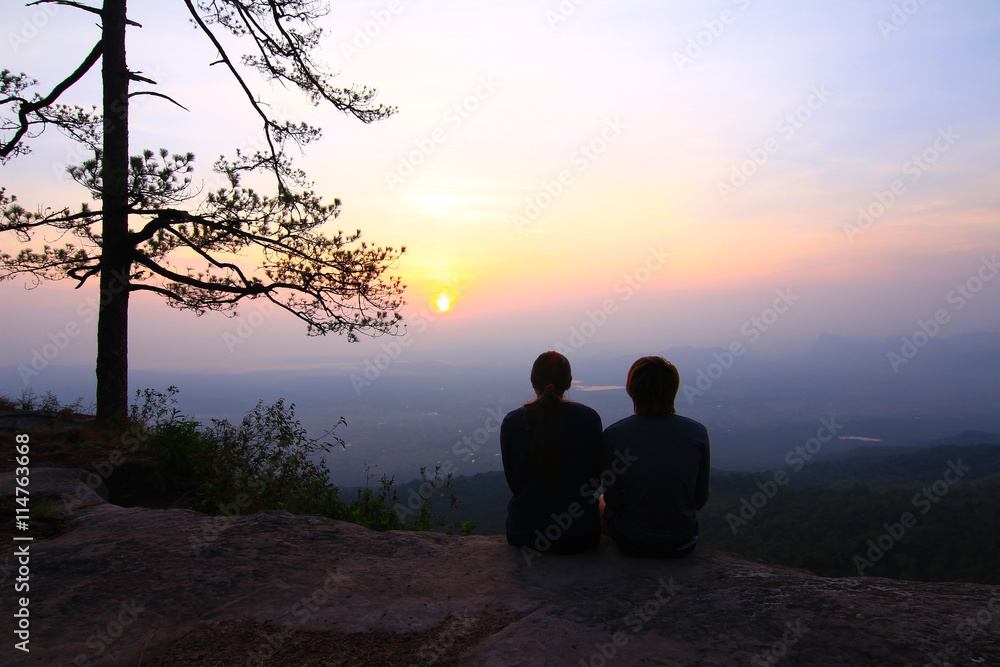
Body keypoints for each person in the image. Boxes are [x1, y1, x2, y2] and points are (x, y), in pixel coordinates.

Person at [601, 356, 710, 558]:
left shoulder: (615, 434)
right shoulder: (697, 433)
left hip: (633, 542)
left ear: (632, 389)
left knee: (600, 502)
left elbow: (613, 501)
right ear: (673, 389)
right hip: (684, 542)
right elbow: (699, 499)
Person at [501, 351, 603, 556]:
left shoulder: (513, 422)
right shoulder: (588, 419)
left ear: (533, 382)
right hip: (581, 535)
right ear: (569, 382)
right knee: (603, 501)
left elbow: (515, 483)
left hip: (525, 534)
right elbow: (595, 479)